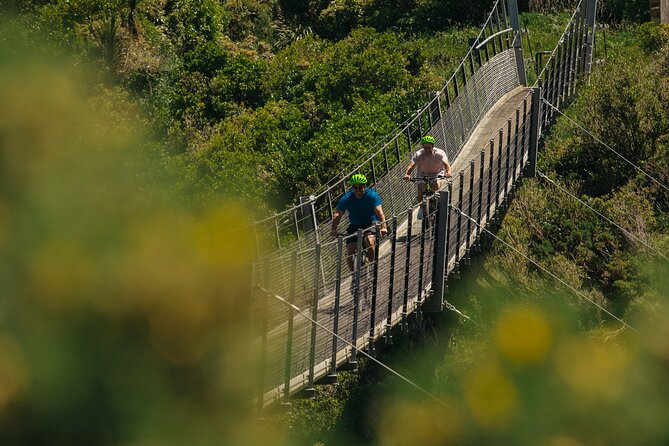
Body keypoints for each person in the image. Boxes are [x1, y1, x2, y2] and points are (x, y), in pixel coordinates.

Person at [330, 174, 388, 272]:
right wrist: (333, 230)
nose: (358, 190)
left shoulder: (372, 195)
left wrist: (383, 227)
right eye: (355, 187)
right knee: (350, 250)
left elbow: (379, 212)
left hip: (370, 223)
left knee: (369, 241)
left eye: (360, 187)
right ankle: (354, 274)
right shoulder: (347, 197)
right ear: (352, 188)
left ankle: (373, 265)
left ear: (365, 186)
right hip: (354, 226)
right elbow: (337, 215)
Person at [403, 135, 452, 205]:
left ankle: (436, 203)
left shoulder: (440, 153)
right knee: (420, 193)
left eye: (429, 147)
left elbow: (447, 165)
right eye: (425, 147)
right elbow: (411, 166)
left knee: (436, 186)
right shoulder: (418, 154)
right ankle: (422, 210)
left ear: (433, 146)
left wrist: (448, 173)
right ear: (422, 147)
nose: (427, 150)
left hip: (437, 173)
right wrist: (407, 174)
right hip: (423, 174)